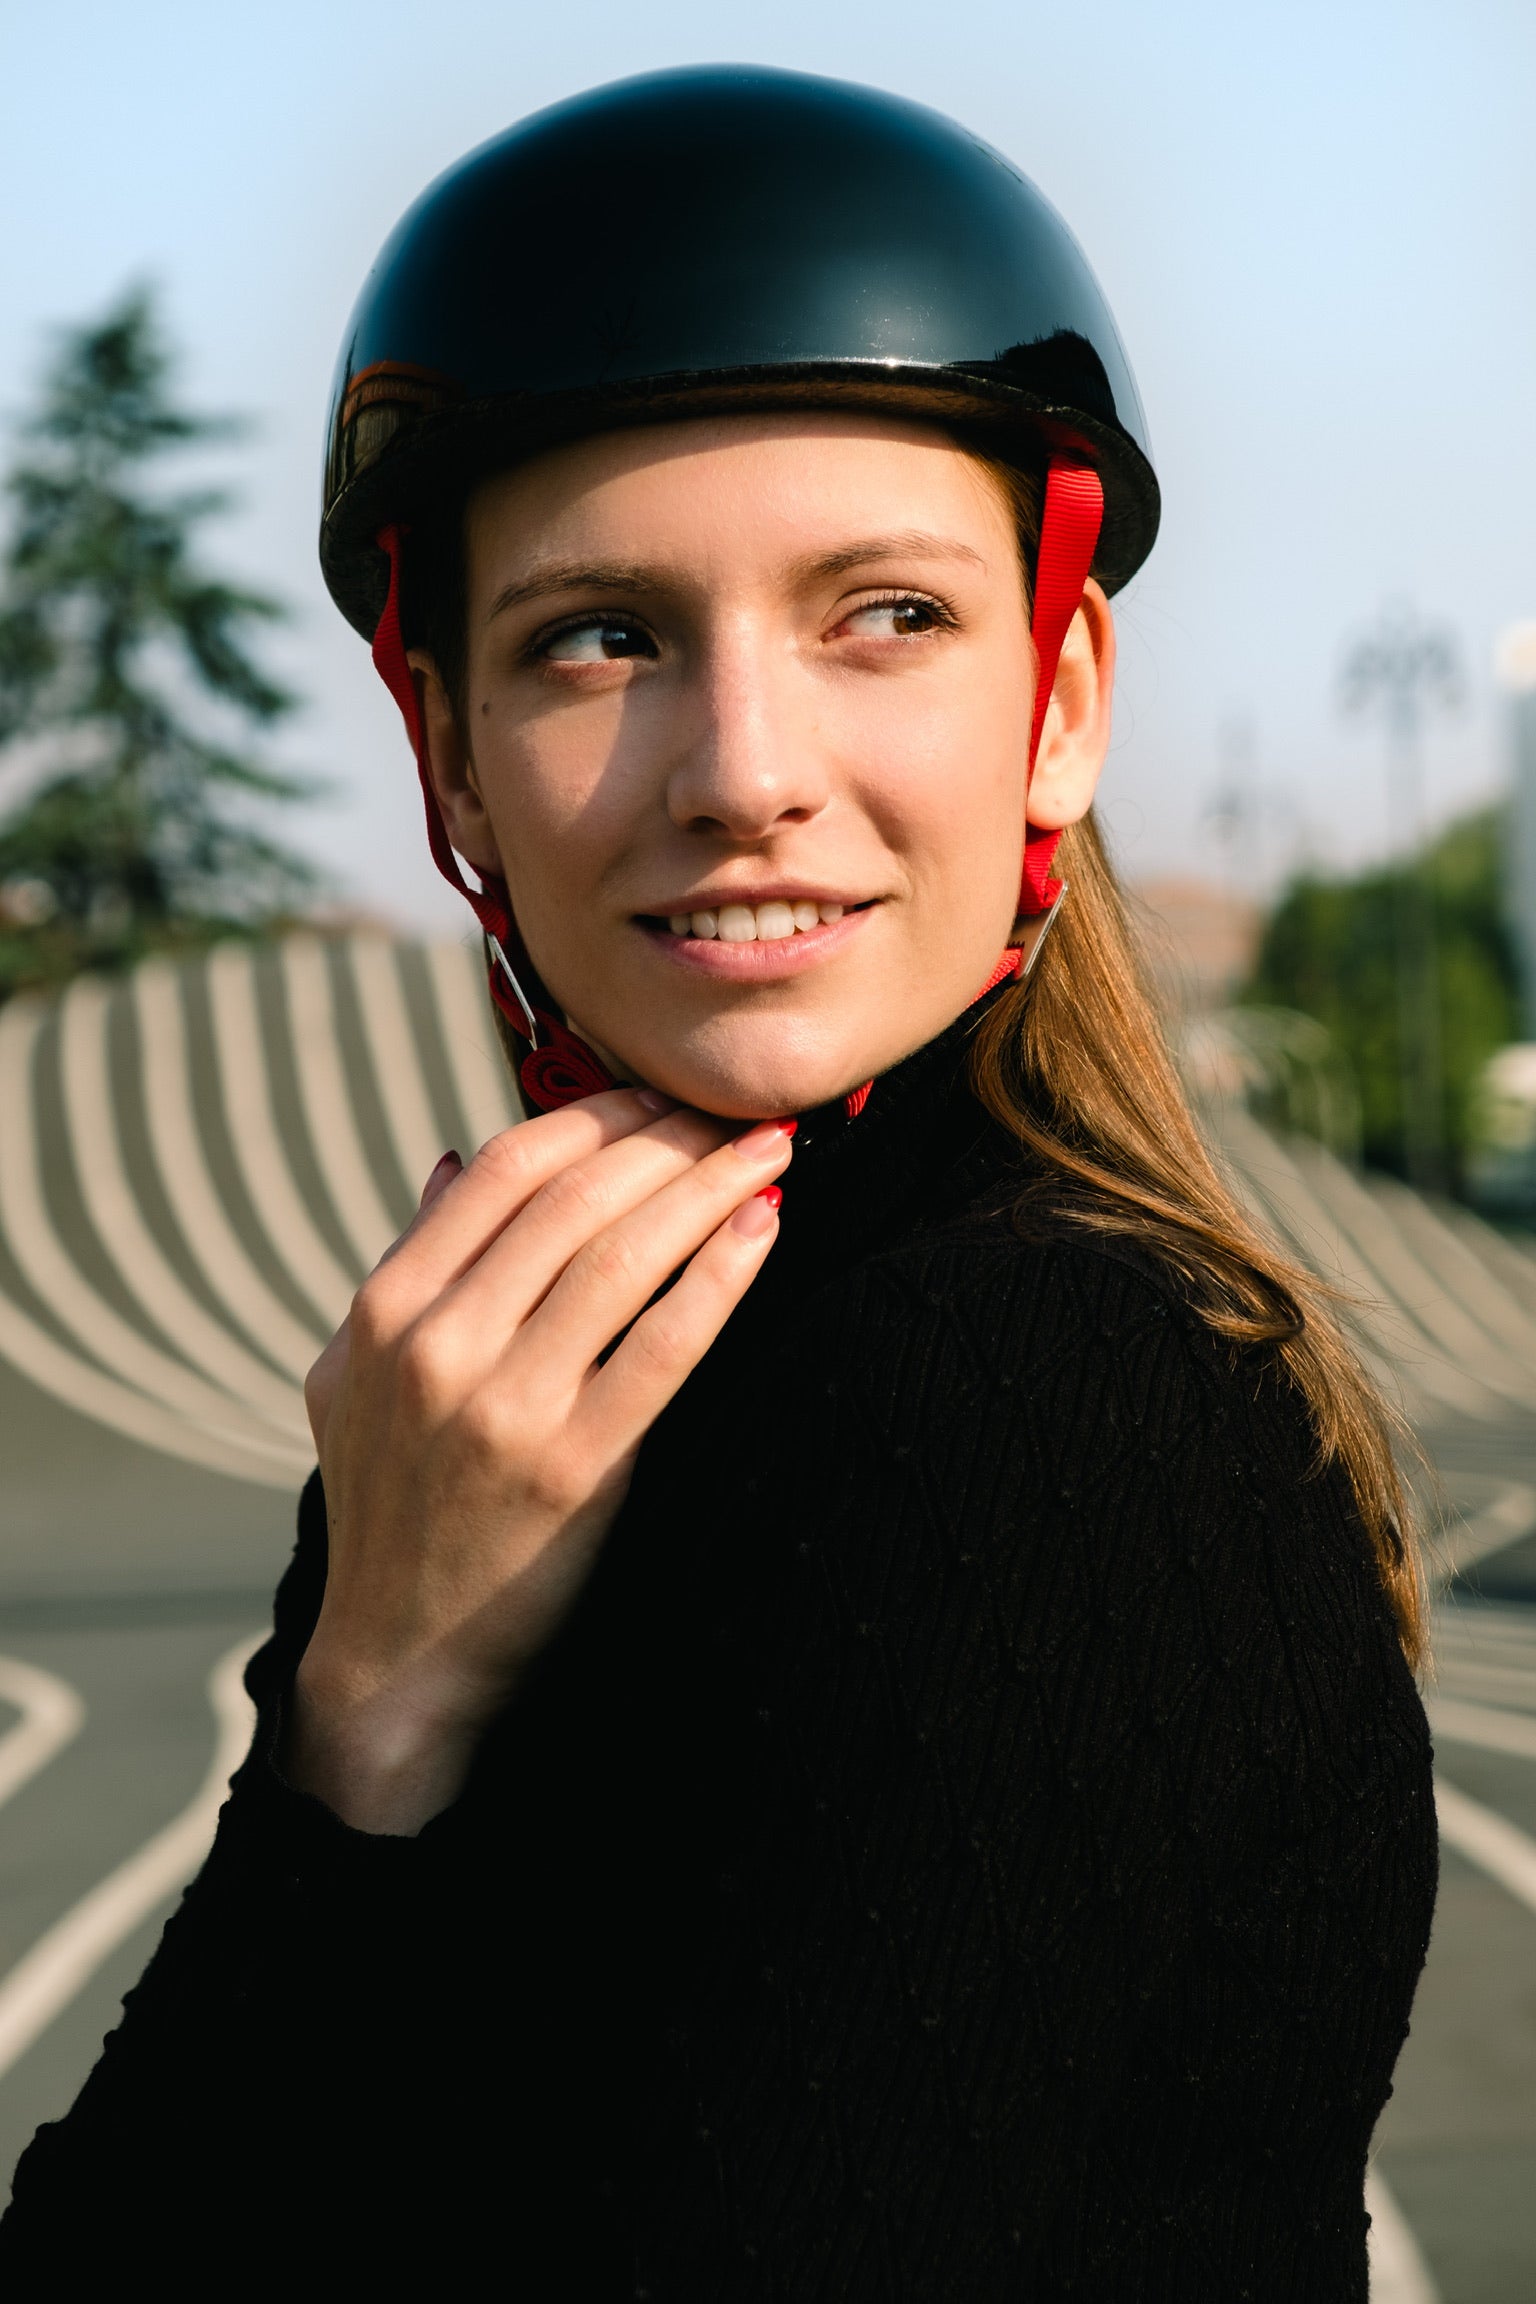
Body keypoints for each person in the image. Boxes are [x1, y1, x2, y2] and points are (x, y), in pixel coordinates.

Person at [0, 67, 1435, 2298]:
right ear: (453, 755)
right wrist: (374, 1690)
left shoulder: (1039, 1392)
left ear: (1061, 694)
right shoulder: (487, 1414)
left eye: (885, 615)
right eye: (601, 637)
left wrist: (369, 1733)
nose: (746, 773)